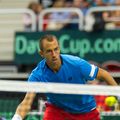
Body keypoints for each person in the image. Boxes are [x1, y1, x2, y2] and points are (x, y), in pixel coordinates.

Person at [12, 34, 118, 120]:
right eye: (49, 51)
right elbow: (27, 102)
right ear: (41, 53)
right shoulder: (37, 75)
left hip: (86, 111)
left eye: (56, 49)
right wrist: (16, 118)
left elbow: (104, 74)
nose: (54, 54)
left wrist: (118, 94)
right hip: (57, 111)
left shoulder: (76, 64)